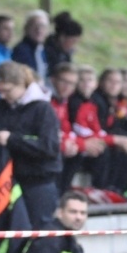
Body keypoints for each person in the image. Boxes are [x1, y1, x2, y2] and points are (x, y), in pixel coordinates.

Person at [0, 61, 62, 228]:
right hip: (4, 183)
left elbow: (49, 147)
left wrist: (13, 140)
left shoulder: (42, 110)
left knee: (37, 231)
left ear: (21, 84)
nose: (2, 96)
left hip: (38, 182)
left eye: (7, 91)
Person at [49, 62, 106, 193]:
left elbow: (66, 129)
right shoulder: (47, 101)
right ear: (53, 80)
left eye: (71, 83)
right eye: (64, 81)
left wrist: (76, 144)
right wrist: (81, 144)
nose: (67, 87)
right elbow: (52, 134)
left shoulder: (64, 102)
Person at [11, 9, 50, 81]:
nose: (39, 30)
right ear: (26, 28)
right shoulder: (21, 51)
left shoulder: (43, 49)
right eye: (35, 26)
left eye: (43, 26)